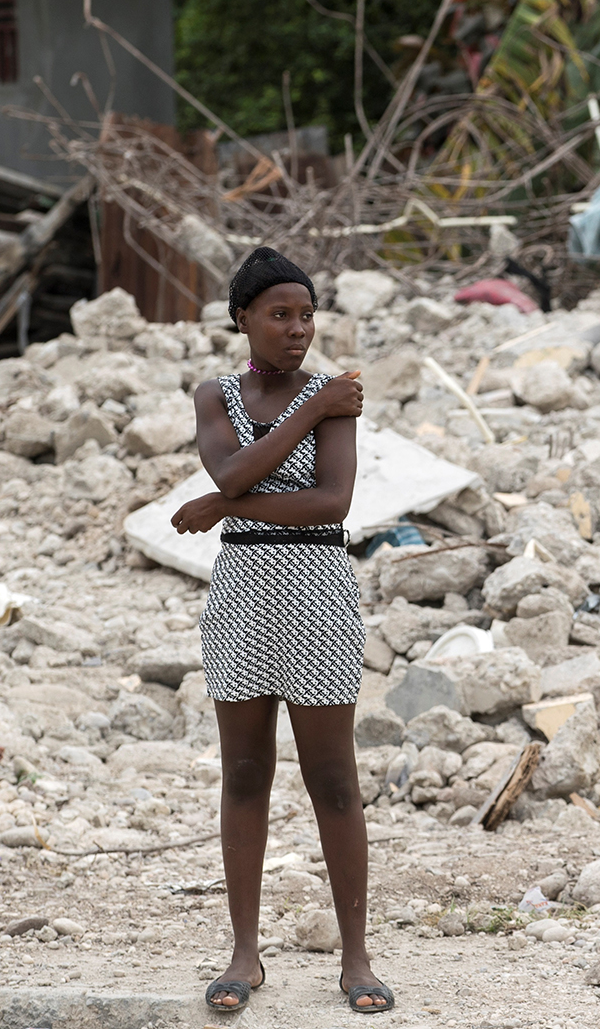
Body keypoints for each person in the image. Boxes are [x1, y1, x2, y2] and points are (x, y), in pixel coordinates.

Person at [170, 246, 393, 1014]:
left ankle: (357, 959)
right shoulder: (218, 395)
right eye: (280, 315)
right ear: (244, 320)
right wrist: (309, 411)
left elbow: (330, 503)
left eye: (306, 315)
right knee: (243, 774)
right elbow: (229, 471)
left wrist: (224, 510)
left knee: (333, 778)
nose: (298, 329)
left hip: (319, 594)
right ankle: (243, 955)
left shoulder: (341, 397)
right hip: (242, 598)